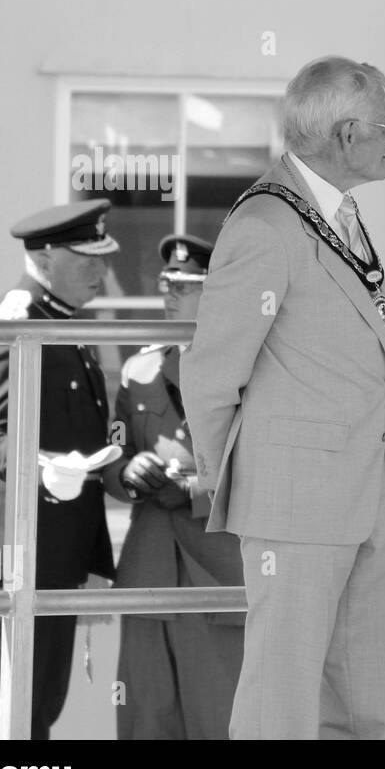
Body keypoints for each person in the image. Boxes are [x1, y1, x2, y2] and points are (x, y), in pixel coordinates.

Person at [183, 56, 385, 740]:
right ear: (347, 134)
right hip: (295, 501)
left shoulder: (333, 212)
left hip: (371, 489)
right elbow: (212, 374)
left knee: (374, 702)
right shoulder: (268, 223)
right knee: (281, 706)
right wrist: (239, 489)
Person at [0, 200, 120, 739]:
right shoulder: (15, 320)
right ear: (48, 257)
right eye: (87, 259)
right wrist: (41, 467)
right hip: (23, 548)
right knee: (10, 704)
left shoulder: (62, 322)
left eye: (103, 258)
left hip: (62, 548)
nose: (101, 272)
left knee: (41, 705)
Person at [102, 234, 244, 739]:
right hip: (148, 569)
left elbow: (270, 471)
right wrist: (128, 475)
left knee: (218, 722)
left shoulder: (251, 369)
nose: (168, 294)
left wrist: (194, 492)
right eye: (166, 283)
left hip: (218, 572)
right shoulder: (140, 369)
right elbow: (113, 452)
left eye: (185, 286)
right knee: (144, 718)